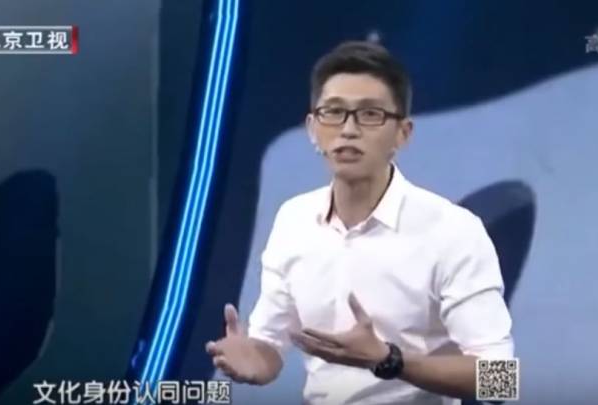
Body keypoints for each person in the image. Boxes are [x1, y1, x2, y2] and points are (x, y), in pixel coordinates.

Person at [205, 40, 514, 405]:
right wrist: (254, 362)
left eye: (370, 114)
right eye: (333, 112)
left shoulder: (453, 231)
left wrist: (389, 360)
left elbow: (500, 380)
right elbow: (270, 346)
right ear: (312, 128)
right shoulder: (294, 220)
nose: (348, 129)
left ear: (403, 133)